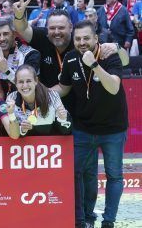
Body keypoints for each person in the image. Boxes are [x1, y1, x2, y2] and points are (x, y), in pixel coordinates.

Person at [53, 21, 127, 228]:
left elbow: (114, 87)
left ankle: (109, 221)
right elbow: (64, 88)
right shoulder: (70, 58)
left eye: (86, 38)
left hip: (113, 128)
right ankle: (81, 220)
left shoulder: (108, 55)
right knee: (75, 173)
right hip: (83, 127)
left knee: (114, 175)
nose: (82, 42)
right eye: (78, 39)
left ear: (96, 39)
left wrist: (94, 65)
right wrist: (38, 92)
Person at [12, 0, 127, 112]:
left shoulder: (81, 42)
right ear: (47, 28)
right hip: (48, 107)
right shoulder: (42, 36)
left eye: (61, 27)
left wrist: (117, 47)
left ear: (71, 27)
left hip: (79, 108)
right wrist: (19, 16)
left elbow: (125, 61)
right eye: (52, 28)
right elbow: (23, 29)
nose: (56, 32)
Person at [9, 64, 71, 136]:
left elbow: (66, 131)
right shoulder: (12, 99)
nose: (25, 85)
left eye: (28, 81)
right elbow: (13, 136)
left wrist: (63, 119)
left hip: (51, 143)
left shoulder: (52, 96)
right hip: (26, 145)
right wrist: (22, 130)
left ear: (36, 81)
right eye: (20, 82)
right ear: (15, 83)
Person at [0, 18, 40, 94]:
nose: (2, 39)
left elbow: (28, 85)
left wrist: (6, 70)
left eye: (6, 34)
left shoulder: (30, 54)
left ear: (15, 34)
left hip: (23, 101)